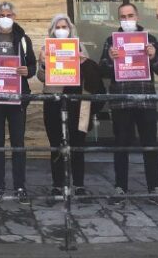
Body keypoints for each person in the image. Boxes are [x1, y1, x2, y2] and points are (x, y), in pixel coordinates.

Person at [98, 2, 158, 206]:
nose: (127, 19)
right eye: (123, 16)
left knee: (150, 146)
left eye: (130, 15)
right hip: (121, 101)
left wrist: (153, 56)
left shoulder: (150, 39)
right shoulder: (111, 40)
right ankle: (120, 188)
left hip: (146, 100)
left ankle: (154, 188)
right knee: (120, 146)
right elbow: (102, 71)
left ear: (137, 16)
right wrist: (111, 60)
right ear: (118, 18)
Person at [38, 13, 104, 198]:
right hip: (54, 101)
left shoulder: (79, 46)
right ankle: (57, 185)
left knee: (77, 145)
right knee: (56, 145)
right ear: (52, 30)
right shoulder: (46, 48)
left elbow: (92, 76)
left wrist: (83, 61)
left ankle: (79, 185)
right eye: (57, 27)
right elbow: (41, 77)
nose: (61, 31)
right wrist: (43, 64)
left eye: (64, 27)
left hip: (76, 102)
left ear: (70, 28)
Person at [0, 1, 36, 205]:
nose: (5, 17)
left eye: (9, 14)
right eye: (2, 14)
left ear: (15, 16)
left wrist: (28, 71)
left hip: (17, 98)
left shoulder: (23, 38)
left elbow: (32, 65)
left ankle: (20, 186)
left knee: (18, 144)